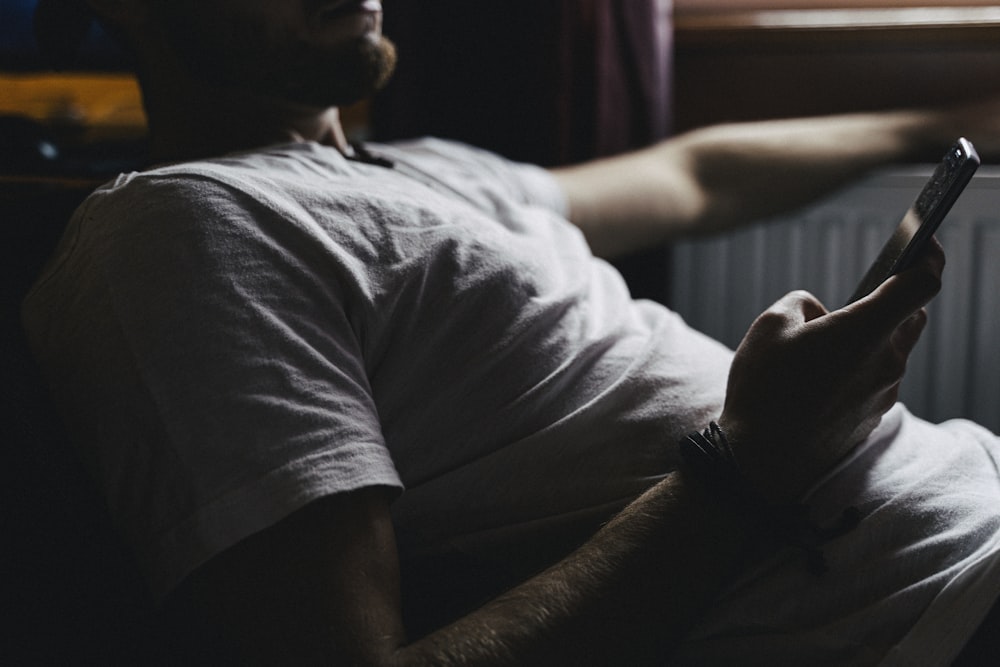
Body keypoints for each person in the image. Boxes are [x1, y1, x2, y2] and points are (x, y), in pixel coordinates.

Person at [21, 0, 1000, 664]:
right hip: (935, 613)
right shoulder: (185, 230)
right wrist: (753, 456)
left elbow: (691, 176)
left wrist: (946, 121)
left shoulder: (423, 171)